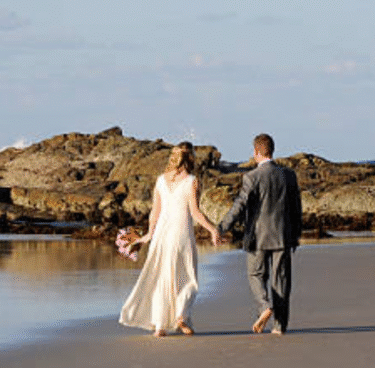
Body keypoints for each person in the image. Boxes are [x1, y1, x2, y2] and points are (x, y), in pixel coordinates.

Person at [119, 142, 223, 337]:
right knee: (188, 278)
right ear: (190, 158)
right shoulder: (191, 181)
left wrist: (149, 234)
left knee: (162, 279)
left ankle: (160, 326)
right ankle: (181, 315)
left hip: (161, 235)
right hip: (181, 233)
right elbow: (195, 212)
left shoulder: (160, 180)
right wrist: (212, 229)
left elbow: (155, 212)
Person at [217, 133, 303, 335]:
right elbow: (296, 208)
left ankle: (264, 307)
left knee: (255, 274)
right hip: (283, 235)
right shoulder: (288, 175)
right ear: (272, 150)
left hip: (258, 236)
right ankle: (280, 326)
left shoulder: (252, 177)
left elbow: (239, 205)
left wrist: (221, 228)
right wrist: (296, 235)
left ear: (256, 152)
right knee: (281, 279)